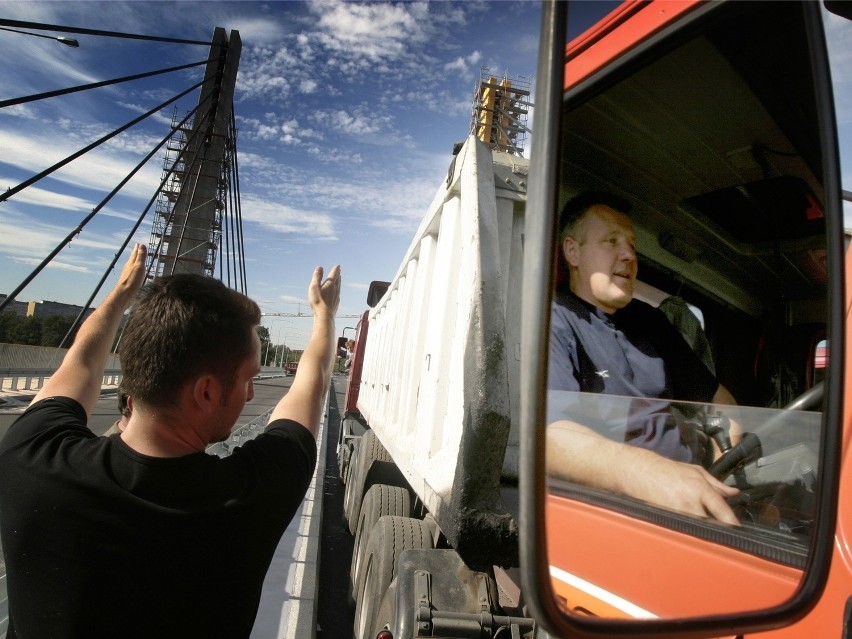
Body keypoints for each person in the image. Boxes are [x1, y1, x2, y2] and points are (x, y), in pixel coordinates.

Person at [0, 243, 341, 638]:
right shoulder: (252, 495)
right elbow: (310, 385)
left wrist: (124, 291)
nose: (250, 395)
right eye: (248, 378)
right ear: (206, 393)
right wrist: (324, 315)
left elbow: (80, 363)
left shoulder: (30, 450)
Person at [547, 192, 740, 525]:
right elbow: (551, 438)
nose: (629, 256)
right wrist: (650, 473)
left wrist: (730, 466)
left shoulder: (652, 322)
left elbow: (720, 402)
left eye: (633, 246)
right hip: (625, 508)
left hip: (702, 481)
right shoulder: (555, 319)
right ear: (573, 251)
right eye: (611, 242)